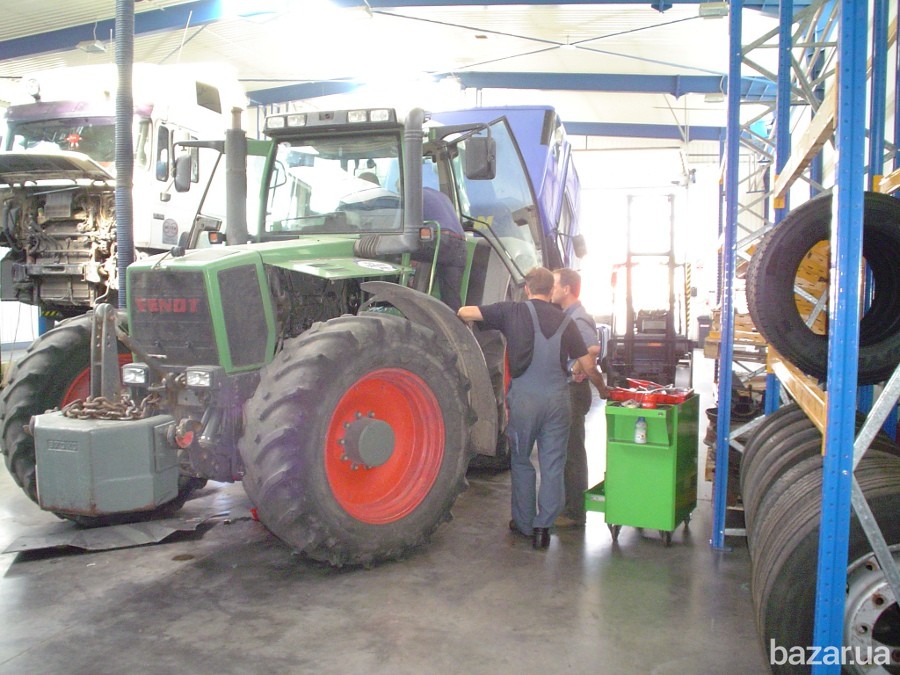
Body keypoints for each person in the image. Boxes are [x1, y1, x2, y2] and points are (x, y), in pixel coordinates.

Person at [457, 267, 609, 550]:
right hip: (557, 399)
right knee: (553, 464)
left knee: (522, 460)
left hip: (525, 400)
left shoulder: (511, 311)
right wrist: (602, 390)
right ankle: (543, 527)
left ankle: (524, 523)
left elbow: (466, 312)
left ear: (527, 289)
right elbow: (588, 365)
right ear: (552, 291)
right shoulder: (566, 321)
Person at [551, 268, 603, 528]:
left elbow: (592, 349)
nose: (551, 288)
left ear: (567, 289)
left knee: (572, 452)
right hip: (567, 390)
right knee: (566, 449)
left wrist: (576, 367)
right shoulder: (566, 316)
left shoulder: (578, 318)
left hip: (574, 391)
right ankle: (568, 506)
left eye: (555, 284)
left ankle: (575, 513)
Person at [414, 187, 468, 312]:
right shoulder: (441, 195)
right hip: (460, 245)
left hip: (440, 240)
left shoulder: (412, 194)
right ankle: (456, 328)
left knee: (391, 252)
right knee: (451, 299)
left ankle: (412, 304)